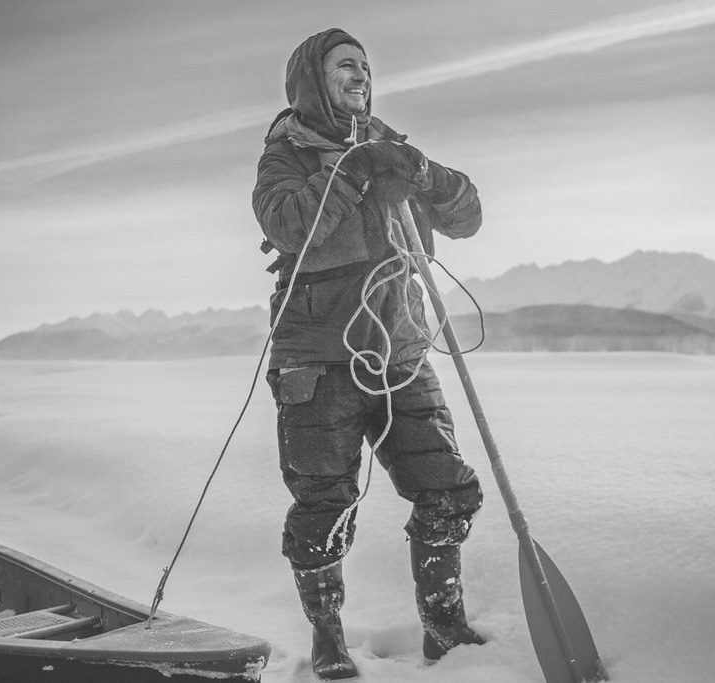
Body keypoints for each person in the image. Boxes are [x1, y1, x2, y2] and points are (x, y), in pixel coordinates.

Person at [252, 28, 485, 680]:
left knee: (447, 490)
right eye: (344, 65)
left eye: (365, 64)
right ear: (311, 81)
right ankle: (328, 642)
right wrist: (348, 170)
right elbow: (289, 222)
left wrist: (428, 176)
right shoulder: (286, 155)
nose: (360, 73)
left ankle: (445, 628)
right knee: (324, 504)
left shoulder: (391, 146)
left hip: (401, 347)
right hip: (318, 359)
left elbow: (467, 216)